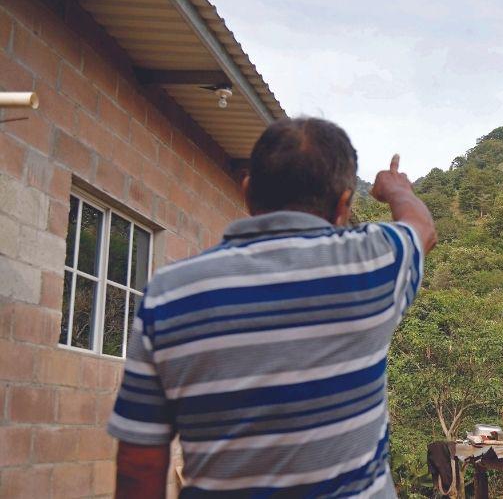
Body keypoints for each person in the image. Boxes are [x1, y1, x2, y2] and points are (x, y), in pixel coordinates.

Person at [107, 117, 437, 498]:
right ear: (344, 205)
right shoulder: (375, 261)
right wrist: (397, 188)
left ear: (247, 192)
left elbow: (139, 463)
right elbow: (421, 226)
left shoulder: (169, 292)